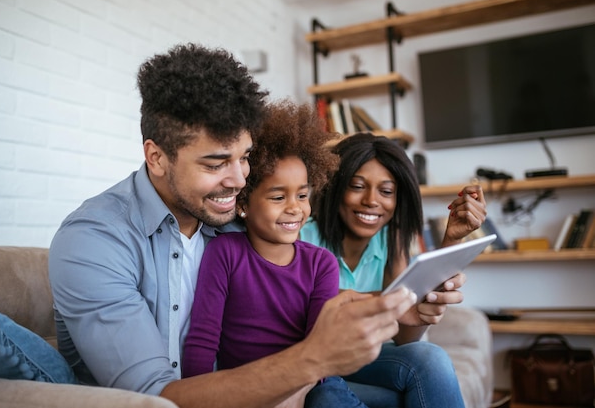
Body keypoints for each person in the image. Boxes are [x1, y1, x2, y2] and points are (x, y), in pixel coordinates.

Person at [49, 43, 417, 408]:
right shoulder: (94, 240)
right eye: (215, 164)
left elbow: (293, 290)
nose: (240, 180)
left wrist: (399, 303)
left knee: (420, 371)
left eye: (244, 157)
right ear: (156, 157)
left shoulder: (231, 223)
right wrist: (313, 358)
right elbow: (152, 399)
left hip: (271, 387)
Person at [182, 100, 370, 407]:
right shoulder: (224, 253)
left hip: (312, 384)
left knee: (329, 398)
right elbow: (203, 340)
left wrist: (292, 398)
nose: (295, 207)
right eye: (278, 196)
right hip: (247, 388)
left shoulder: (321, 263)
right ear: (242, 203)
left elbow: (318, 349)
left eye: (303, 195)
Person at [301, 132, 488, 407]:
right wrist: (390, 301)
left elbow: (404, 337)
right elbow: (300, 306)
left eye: (386, 191)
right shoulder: (303, 237)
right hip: (316, 359)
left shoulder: (393, 239)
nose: (371, 201)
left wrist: (452, 240)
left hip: (369, 358)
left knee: (431, 359)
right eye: (356, 186)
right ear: (335, 187)